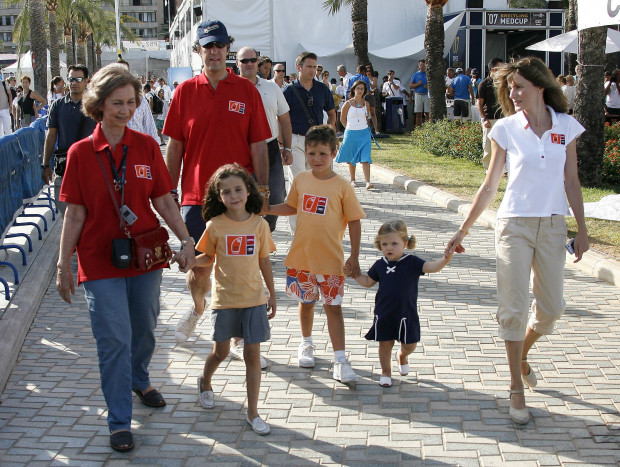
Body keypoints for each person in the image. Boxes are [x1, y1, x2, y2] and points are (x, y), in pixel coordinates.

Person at [56, 63, 196, 452]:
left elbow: (164, 201)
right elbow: (75, 213)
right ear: (98, 105)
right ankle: (119, 420)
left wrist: (186, 241)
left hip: (145, 255)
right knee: (114, 338)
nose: (125, 109)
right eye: (117, 102)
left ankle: (139, 377)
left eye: (132, 102)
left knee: (146, 328)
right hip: (99, 259)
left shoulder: (147, 146)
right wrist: (62, 265)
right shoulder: (81, 152)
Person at [446, 56, 590, 425]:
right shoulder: (505, 129)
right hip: (513, 225)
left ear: (540, 87)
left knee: (552, 309)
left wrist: (583, 230)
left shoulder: (566, 127)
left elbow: (571, 182)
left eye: (520, 86)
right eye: (510, 87)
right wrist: (463, 229)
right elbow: (491, 184)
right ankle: (516, 387)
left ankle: (521, 354)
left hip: (554, 226)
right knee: (513, 308)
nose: (513, 93)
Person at [163, 20, 271, 343]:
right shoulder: (184, 92)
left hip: (238, 197)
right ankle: (198, 308)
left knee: (239, 269)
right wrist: (169, 191)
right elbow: (175, 147)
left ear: (228, 49)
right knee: (198, 270)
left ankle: (239, 339)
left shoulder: (246, 91)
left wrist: (262, 191)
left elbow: (259, 146)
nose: (214, 52)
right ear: (199, 50)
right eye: (208, 46)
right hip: (197, 197)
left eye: (220, 46)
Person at [267, 125, 366, 386]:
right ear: (305, 153)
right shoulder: (300, 180)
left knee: (334, 309)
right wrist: (265, 208)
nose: (316, 159)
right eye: (311, 153)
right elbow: (291, 206)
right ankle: (306, 344)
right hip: (301, 259)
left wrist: (354, 256)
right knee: (306, 303)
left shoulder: (342, 186)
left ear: (334, 153)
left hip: (331, 261)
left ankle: (340, 360)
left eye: (323, 153)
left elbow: (355, 221)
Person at [181, 164, 276, 435]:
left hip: (254, 300)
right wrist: (189, 262)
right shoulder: (215, 225)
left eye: (238, 189)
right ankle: (204, 380)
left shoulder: (259, 224)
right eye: (226, 192)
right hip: (224, 301)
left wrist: (271, 294)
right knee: (220, 352)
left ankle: (253, 412)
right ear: (218, 196)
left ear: (248, 191)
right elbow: (207, 258)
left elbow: (264, 260)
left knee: (252, 357)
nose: (233, 195)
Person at [347, 220, 452, 387]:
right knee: (385, 344)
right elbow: (368, 281)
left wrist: (445, 259)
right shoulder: (380, 265)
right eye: (385, 244)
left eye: (394, 243)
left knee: (410, 344)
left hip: (406, 313)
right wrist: (353, 275)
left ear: (405, 243)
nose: (389, 248)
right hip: (384, 312)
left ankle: (403, 355)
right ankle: (386, 372)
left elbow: (431, 267)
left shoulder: (412, 262)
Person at [282, 51, 336, 231]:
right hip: (296, 140)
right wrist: (284, 146)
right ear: (299, 67)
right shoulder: (289, 90)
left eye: (315, 67)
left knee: (318, 182)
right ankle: (297, 230)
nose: (313, 70)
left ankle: (317, 226)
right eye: (309, 67)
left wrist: (330, 132)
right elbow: (282, 118)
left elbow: (331, 113)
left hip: (318, 142)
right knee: (299, 182)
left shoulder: (322, 89)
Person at [41, 64, 97, 215]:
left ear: (86, 81)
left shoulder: (94, 105)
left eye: (78, 79)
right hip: (64, 168)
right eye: (71, 79)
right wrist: (45, 164)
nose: (74, 82)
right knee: (65, 213)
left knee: (88, 214)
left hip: (90, 168)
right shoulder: (57, 106)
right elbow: (51, 135)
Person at [335, 80, 373, 189]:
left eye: (362, 89)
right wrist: (348, 128)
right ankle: (353, 179)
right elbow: (342, 119)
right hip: (351, 132)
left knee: (366, 157)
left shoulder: (366, 104)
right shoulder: (347, 104)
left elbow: (366, 118)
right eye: (358, 88)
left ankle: (368, 181)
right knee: (352, 156)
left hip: (364, 133)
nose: (360, 91)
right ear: (354, 90)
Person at [118, 60, 161, 145]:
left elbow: (150, 128)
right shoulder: (106, 103)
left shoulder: (141, 101)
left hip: (138, 151)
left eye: (125, 72)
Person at [478, 58, 505, 171]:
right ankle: (488, 168)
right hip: (489, 118)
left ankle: (504, 169)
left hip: (502, 118)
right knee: (488, 145)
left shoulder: (504, 83)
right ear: (493, 70)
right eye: (500, 69)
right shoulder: (484, 84)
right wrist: (484, 118)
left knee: (503, 144)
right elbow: (479, 104)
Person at [410, 59, 429, 128]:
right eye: (421, 65)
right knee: (418, 113)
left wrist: (428, 86)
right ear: (419, 66)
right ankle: (418, 129)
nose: (422, 66)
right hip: (418, 94)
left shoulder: (428, 74)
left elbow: (433, 84)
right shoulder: (415, 74)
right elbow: (411, 86)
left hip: (426, 94)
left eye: (423, 65)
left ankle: (427, 129)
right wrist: (417, 84)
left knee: (427, 113)